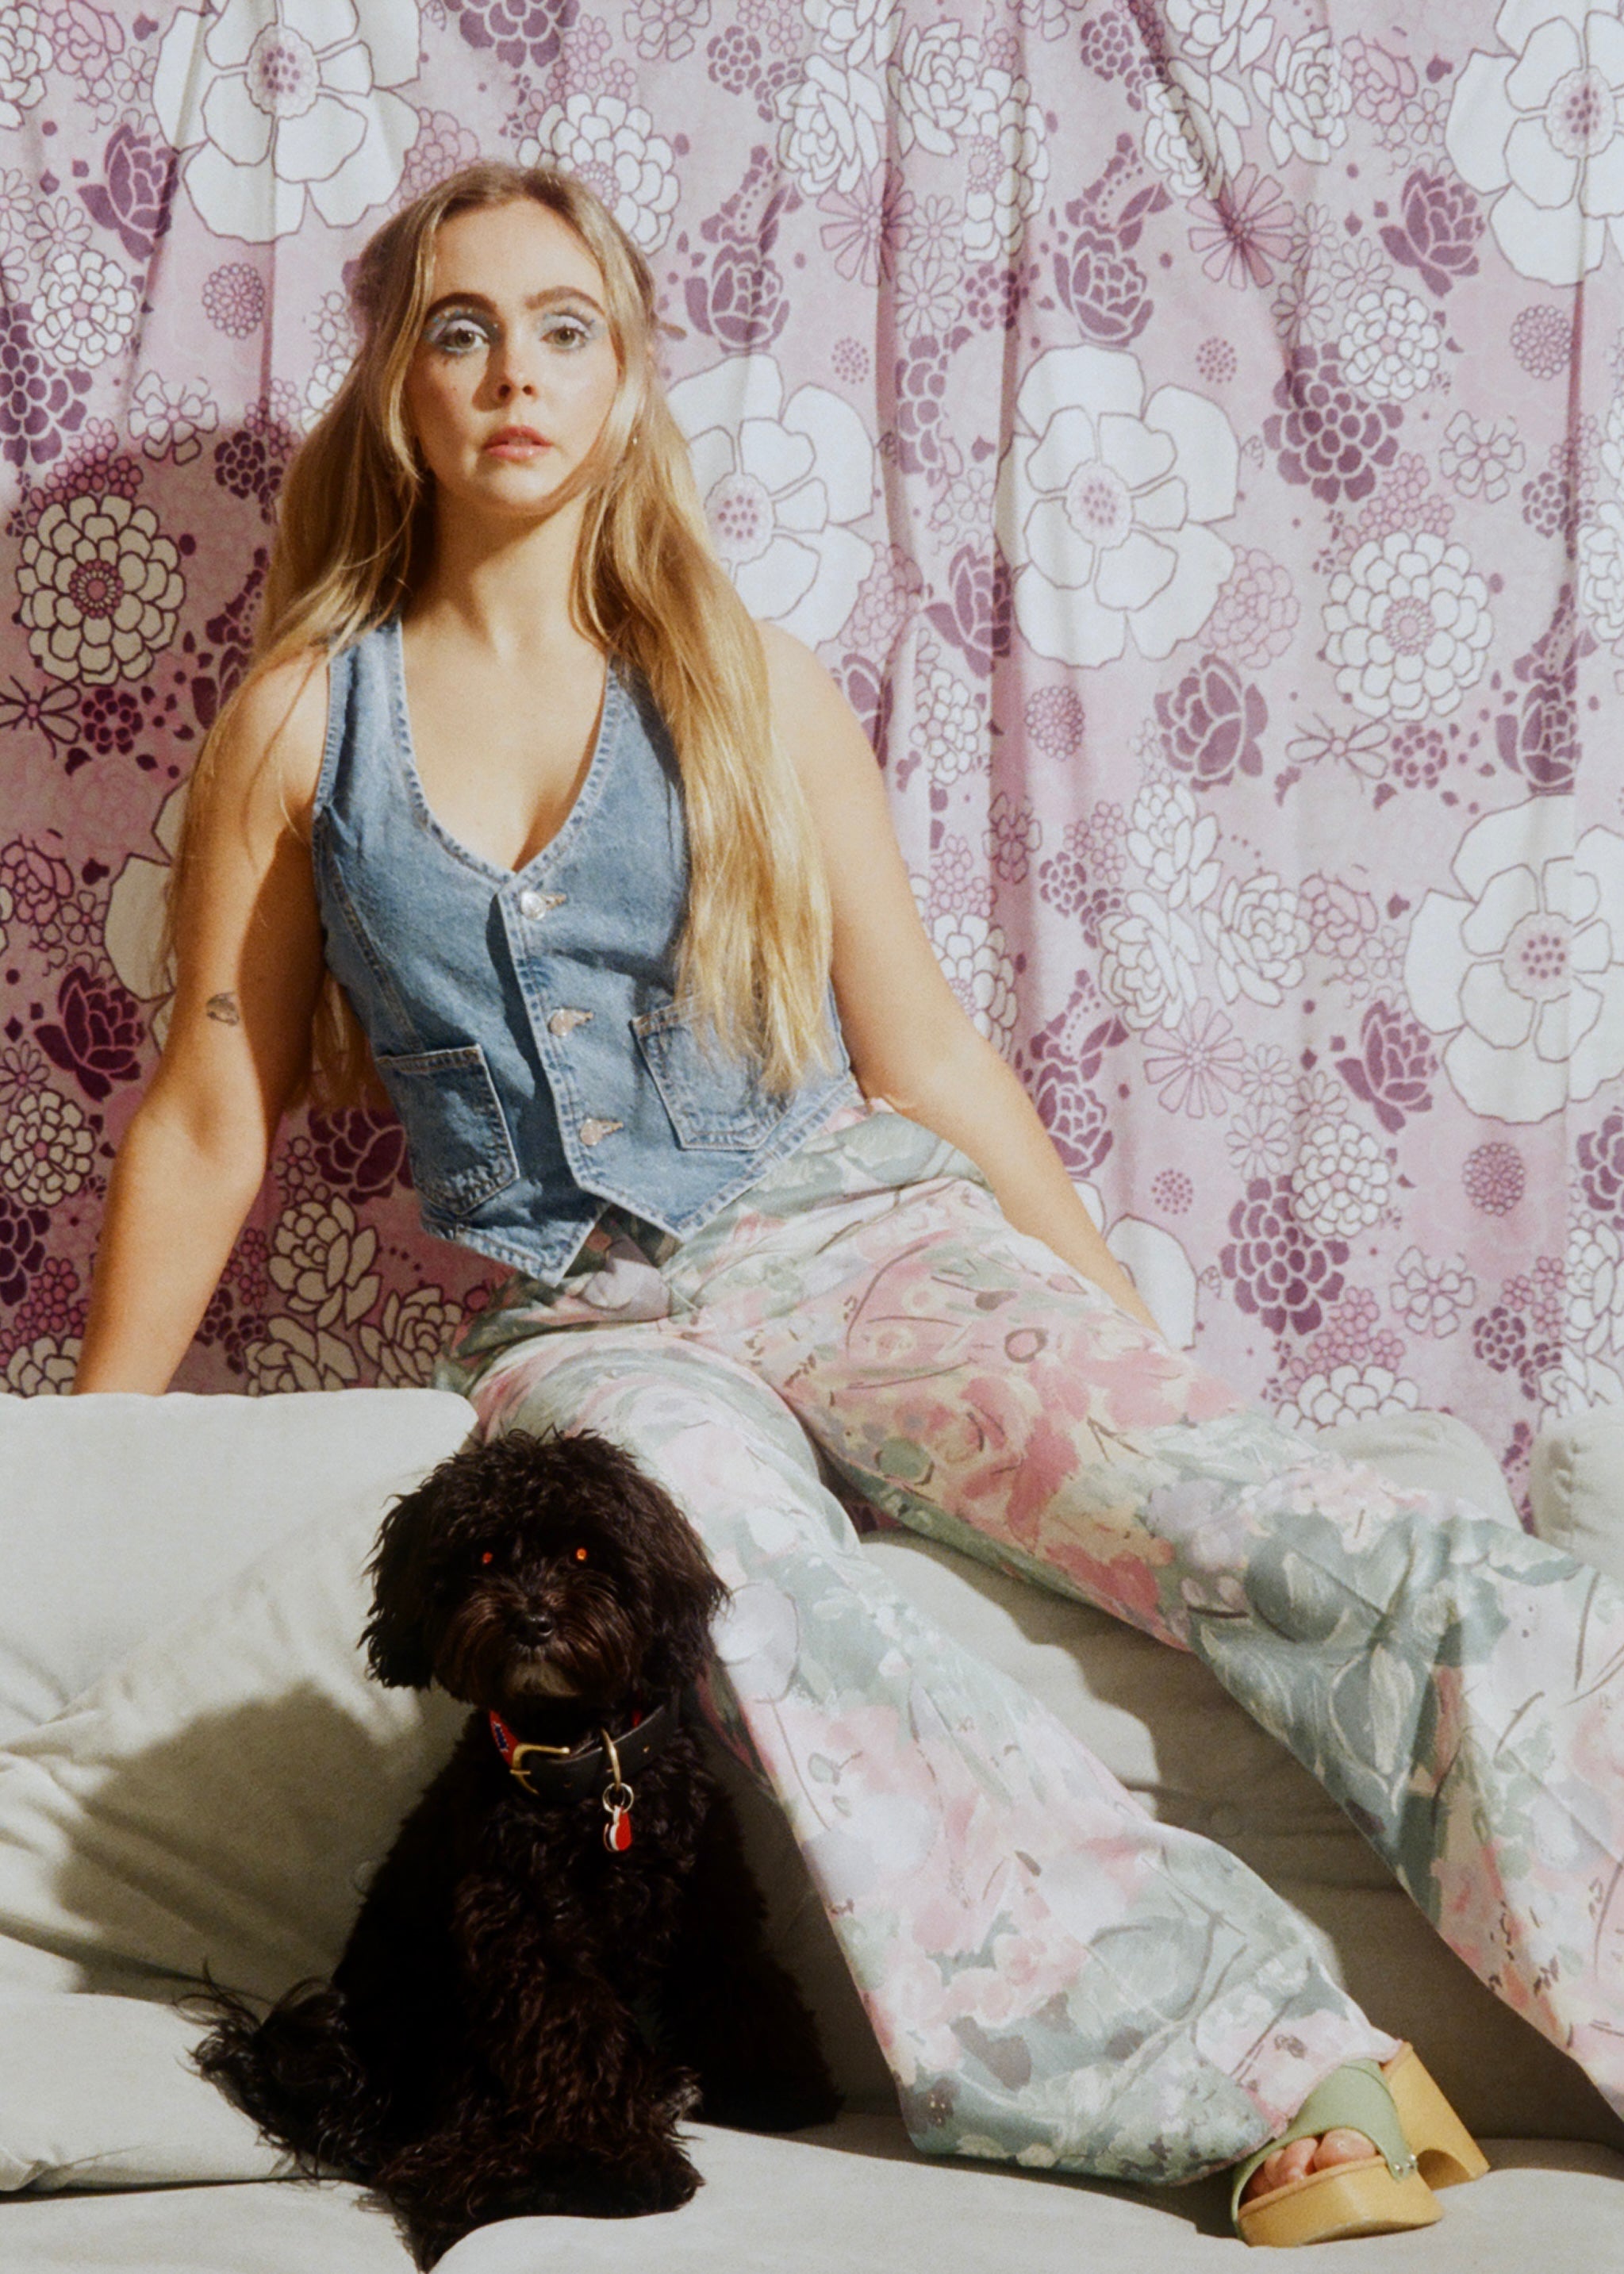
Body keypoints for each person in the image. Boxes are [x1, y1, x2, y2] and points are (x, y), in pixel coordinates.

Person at [72, 160, 1618, 2244]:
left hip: (852, 1230)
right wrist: (81, 1462)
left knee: (1294, 1514)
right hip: (588, 1326)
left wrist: (1133, 1373)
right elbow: (210, 1105)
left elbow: (935, 1055)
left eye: (563, 328)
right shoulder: (302, 723)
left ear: (623, 382)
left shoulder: (745, 681)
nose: (510, 369)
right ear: (394, 388)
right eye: (459, 328)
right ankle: (1275, 2076)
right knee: (718, 1563)